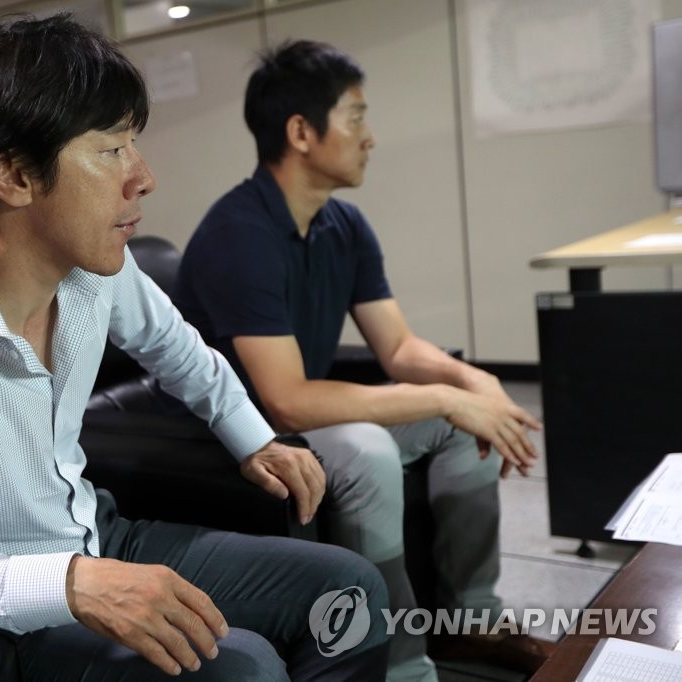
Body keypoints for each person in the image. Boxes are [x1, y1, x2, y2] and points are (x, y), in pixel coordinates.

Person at [0, 16, 391, 681]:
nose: (144, 177)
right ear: (12, 173)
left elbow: (174, 346)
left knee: (348, 590)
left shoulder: (91, 265)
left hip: (90, 534)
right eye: (111, 150)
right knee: (241, 668)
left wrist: (253, 438)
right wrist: (71, 584)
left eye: (134, 144)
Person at [169, 40, 556, 680]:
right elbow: (286, 401)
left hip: (296, 419)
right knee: (369, 449)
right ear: (301, 132)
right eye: (355, 118)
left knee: (466, 424)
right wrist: (444, 396)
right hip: (240, 440)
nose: (369, 137)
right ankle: (398, 669)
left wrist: (472, 383)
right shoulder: (238, 235)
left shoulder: (343, 225)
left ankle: (471, 625)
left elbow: (397, 348)